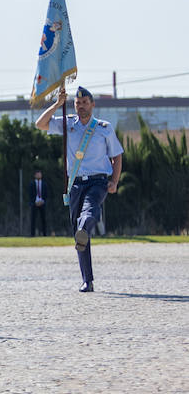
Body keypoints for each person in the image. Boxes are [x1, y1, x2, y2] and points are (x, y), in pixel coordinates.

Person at [36, 85, 123, 292]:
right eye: (77, 103)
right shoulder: (68, 123)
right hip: (75, 183)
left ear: (92, 105)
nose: (81, 106)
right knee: (79, 236)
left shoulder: (104, 127)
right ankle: (87, 280)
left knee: (90, 208)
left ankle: (85, 227)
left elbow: (117, 155)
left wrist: (115, 181)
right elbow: (40, 124)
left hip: (98, 181)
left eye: (84, 102)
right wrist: (58, 104)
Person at [29, 169, 50, 237]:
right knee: (33, 219)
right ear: (35, 175)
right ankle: (32, 234)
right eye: (37, 174)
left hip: (42, 203)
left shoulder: (44, 184)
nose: (38, 175)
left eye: (39, 174)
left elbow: (46, 194)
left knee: (43, 219)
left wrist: (43, 201)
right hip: (34, 203)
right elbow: (30, 194)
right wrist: (35, 202)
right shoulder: (32, 184)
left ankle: (44, 234)